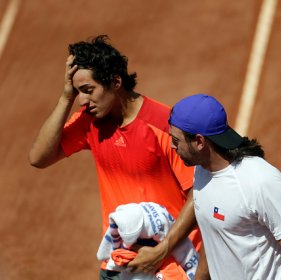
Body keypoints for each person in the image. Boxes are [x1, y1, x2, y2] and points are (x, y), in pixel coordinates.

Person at [28, 35, 201, 280]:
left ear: (116, 82)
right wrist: (65, 98)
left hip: (171, 262)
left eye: (88, 90)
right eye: (78, 92)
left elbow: (198, 194)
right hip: (119, 261)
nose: (83, 100)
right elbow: (38, 157)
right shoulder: (89, 122)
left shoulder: (165, 125)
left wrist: (161, 251)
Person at [129, 94, 281, 279]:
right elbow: (215, 238)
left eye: (176, 140)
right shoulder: (202, 170)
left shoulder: (260, 181)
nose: (172, 146)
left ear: (199, 142)